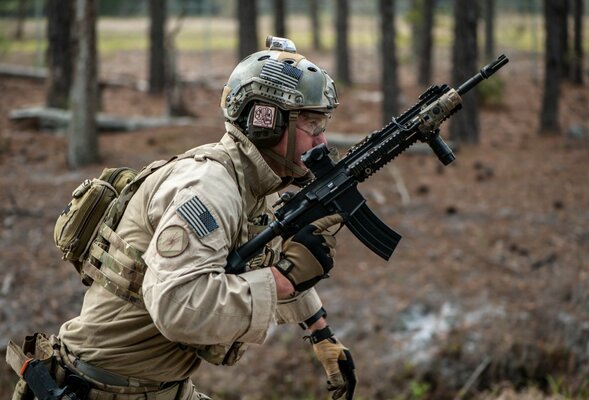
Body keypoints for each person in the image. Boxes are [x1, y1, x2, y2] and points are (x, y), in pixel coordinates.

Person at [8, 37, 356, 400]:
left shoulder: (255, 184)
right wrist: (282, 280)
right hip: (102, 389)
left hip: (160, 388)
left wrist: (321, 333)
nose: (322, 140)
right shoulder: (208, 189)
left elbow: (269, 256)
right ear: (264, 122)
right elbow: (177, 307)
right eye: (312, 126)